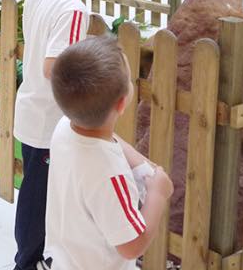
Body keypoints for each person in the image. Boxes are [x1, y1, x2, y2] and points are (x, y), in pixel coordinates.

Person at [12, 0, 100, 270]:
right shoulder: (74, 9)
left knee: (37, 190)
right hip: (51, 121)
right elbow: (55, 67)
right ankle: (27, 262)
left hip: (30, 107)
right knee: (37, 197)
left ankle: (35, 257)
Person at [46, 37, 174, 270]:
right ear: (122, 104)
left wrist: (142, 164)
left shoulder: (64, 127)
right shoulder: (111, 176)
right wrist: (157, 193)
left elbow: (109, 140)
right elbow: (131, 245)